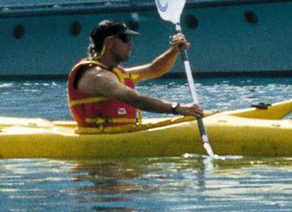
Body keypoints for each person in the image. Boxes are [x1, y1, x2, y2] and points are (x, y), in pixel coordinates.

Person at [68, 19, 202, 129]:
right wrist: (177, 108)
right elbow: (135, 100)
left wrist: (173, 51)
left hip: (121, 135)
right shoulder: (97, 77)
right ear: (109, 42)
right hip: (102, 145)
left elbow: (154, 70)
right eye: (125, 39)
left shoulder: (115, 73)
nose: (130, 44)